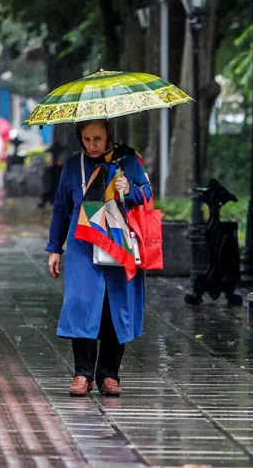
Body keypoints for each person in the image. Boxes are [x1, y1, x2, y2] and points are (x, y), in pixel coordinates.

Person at [46, 119, 151, 397]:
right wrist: (55, 248)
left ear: (109, 136)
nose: (92, 145)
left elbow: (147, 193)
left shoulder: (128, 160)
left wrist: (129, 190)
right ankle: (82, 374)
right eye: (87, 139)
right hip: (81, 243)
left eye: (98, 139)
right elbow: (61, 207)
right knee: (81, 303)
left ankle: (109, 375)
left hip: (119, 242)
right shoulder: (72, 165)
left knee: (114, 307)